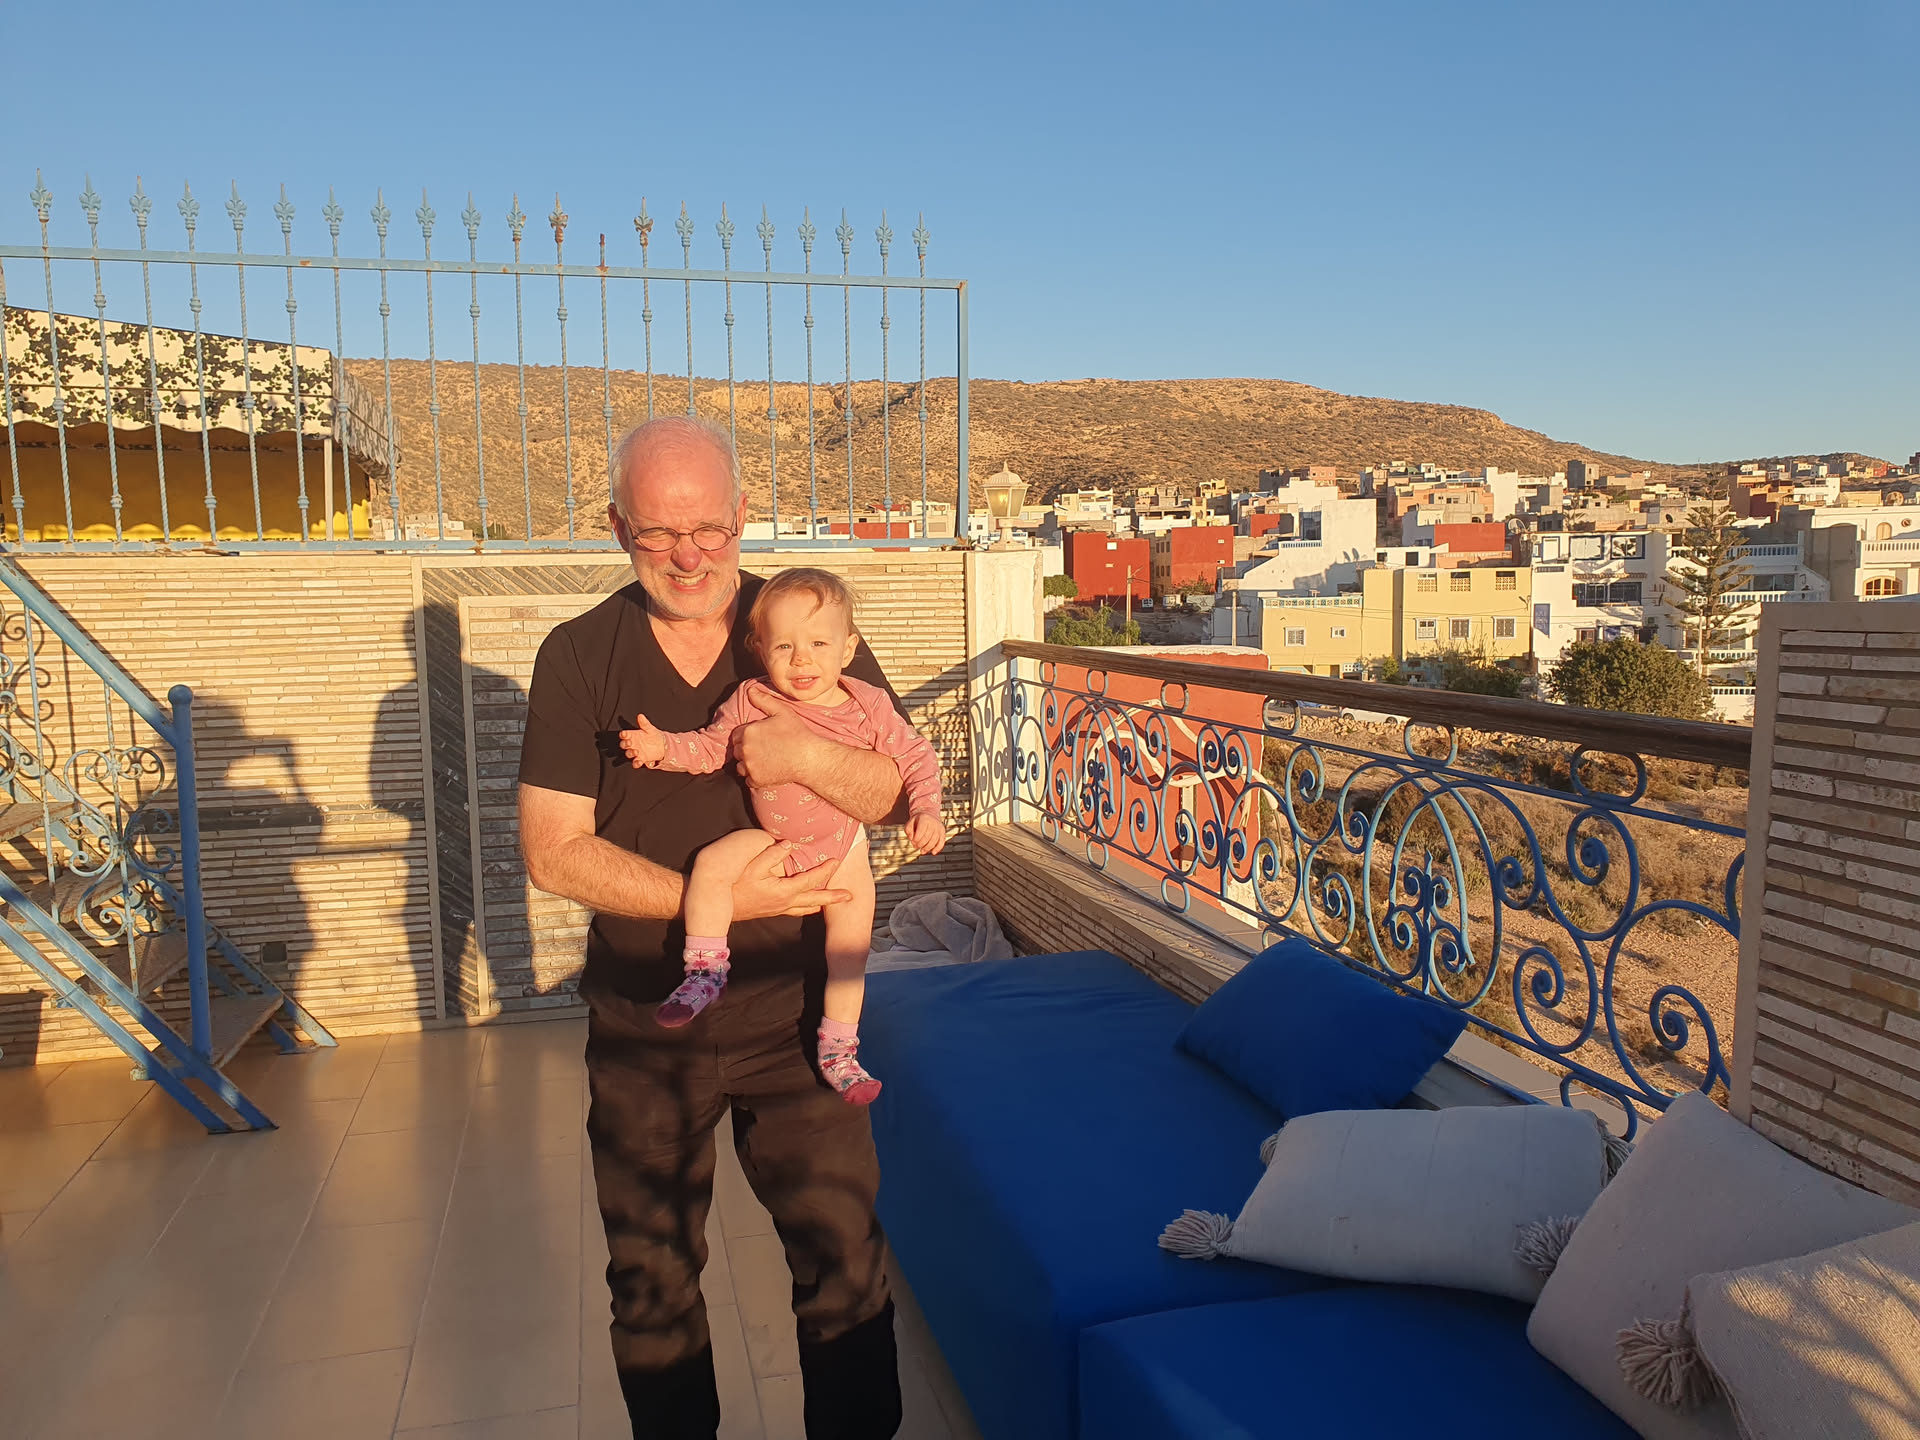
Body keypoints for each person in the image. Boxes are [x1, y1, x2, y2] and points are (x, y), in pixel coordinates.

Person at [517, 415, 906, 1439]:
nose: (688, 556)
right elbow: (554, 853)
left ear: (742, 515)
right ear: (617, 528)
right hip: (648, 1022)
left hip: (801, 1022)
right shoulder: (579, 655)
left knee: (845, 1270)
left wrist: (805, 757)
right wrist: (731, 900)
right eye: (658, 534)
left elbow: (894, 794)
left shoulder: (800, 623)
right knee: (652, 1284)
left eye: (709, 531)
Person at [617, 566, 946, 1104]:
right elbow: (709, 747)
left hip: (844, 849)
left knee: (849, 954)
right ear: (759, 650)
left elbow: (916, 757)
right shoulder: (750, 699)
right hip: (776, 840)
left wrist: (927, 810)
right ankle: (705, 971)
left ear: (848, 648)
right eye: (784, 646)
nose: (801, 660)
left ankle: (839, 1053)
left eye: (819, 643)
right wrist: (662, 749)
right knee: (711, 867)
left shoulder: (867, 703)